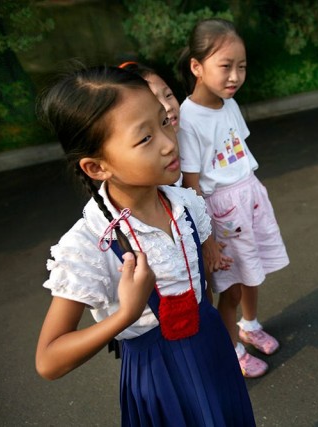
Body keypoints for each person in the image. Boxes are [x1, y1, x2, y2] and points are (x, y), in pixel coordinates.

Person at [35, 65, 256, 426]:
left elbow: (200, 292)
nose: (170, 142)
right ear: (96, 167)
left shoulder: (186, 205)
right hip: (158, 380)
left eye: (164, 122)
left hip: (212, 351)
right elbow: (48, 361)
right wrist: (125, 314)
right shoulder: (92, 243)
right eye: (145, 138)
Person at [176, 18, 289, 378]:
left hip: (250, 197)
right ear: (197, 66)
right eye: (225, 66)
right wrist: (208, 240)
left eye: (241, 67)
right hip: (222, 213)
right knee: (231, 286)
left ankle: (250, 325)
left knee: (254, 272)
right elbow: (192, 184)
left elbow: (237, 151)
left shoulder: (229, 105)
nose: (235, 76)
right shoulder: (188, 119)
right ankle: (233, 348)